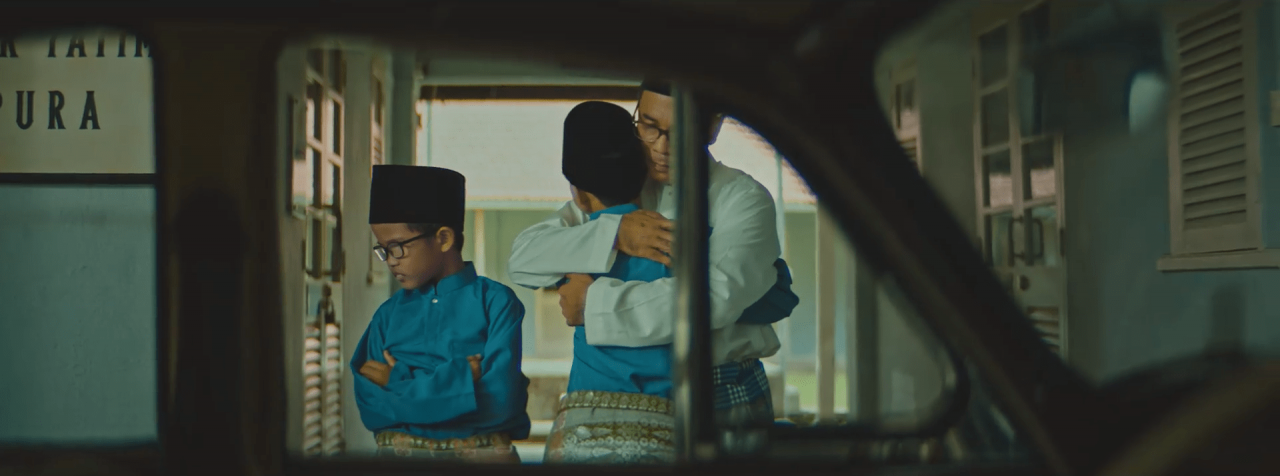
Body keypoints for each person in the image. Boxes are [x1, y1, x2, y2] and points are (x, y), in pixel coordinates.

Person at [508, 80, 792, 436]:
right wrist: (614, 234)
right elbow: (524, 259)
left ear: (713, 126)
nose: (661, 147)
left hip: (719, 391)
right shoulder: (618, 186)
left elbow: (714, 298)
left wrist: (593, 304)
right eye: (648, 126)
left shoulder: (742, 199)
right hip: (616, 394)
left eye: (681, 131)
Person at [351, 165, 530, 463]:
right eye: (383, 250)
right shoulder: (387, 315)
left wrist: (398, 382)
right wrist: (460, 380)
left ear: (444, 238)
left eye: (397, 247)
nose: (390, 261)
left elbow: (500, 405)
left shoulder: (496, 303)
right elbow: (373, 409)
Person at [541, 101, 678, 464]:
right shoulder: (677, 240)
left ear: (579, 195)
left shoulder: (572, 248)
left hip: (585, 426)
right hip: (664, 428)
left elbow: (523, 262)